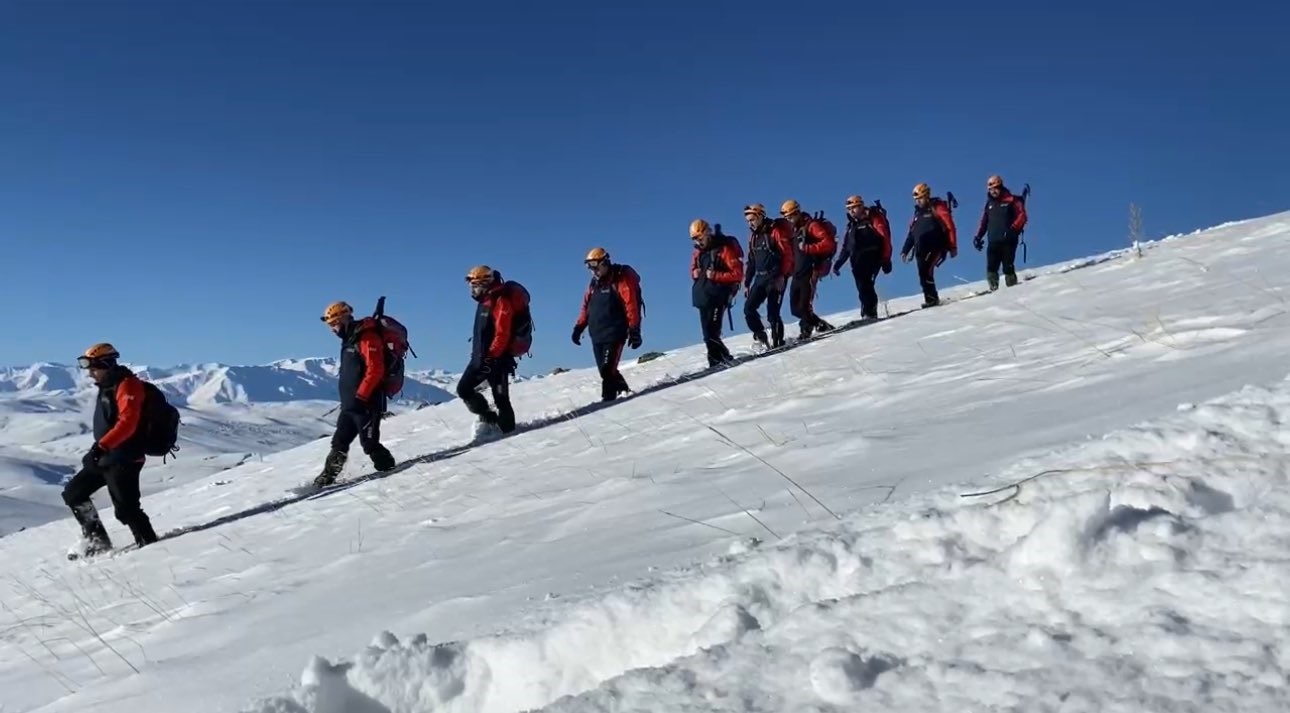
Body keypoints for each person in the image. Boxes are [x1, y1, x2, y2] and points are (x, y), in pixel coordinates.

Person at [62, 343, 159, 554]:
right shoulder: (108, 386)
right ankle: (97, 543)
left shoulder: (128, 385)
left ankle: (150, 547)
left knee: (127, 510)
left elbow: (128, 422)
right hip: (106, 455)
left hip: (125, 458)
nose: (90, 373)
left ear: (106, 364)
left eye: (93, 368)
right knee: (74, 494)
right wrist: (100, 449)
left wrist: (101, 447)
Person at [315, 301, 397, 487]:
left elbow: (375, 369)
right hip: (350, 405)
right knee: (339, 442)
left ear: (343, 319)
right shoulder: (350, 339)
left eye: (333, 324)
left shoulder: (366, 337)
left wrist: (361, 395)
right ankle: (325, 480)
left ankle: (391, 473)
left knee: (369, 444)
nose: (332, 329)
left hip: (366, 403)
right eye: (330, 325)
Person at [459, 265, 531, 438]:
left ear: (485, 283)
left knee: (502, 400)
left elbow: (502, 333)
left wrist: (491, 358)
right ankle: (488, 418)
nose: (472, 289)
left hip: (497, 360)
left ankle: (509, 435)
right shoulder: (485, 301)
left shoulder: (500, 301)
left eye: (475, 285)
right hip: (481, 359)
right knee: (464, 389)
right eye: (471, 285)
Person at [572, 247, 644, 401]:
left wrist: (634, 329)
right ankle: (624, 392)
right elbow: (586, 307)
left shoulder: (620, 280)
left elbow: (630, 305)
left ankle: (608, 403)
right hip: (597, 335)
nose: (593, 271)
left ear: (605, 263)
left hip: (615, 333)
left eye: (595, 267)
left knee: (607, 372)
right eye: (590, 268)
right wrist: (578, 327)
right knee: (606, 371)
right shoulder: (593, 284)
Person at [689, 218, 743, 367]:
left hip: (718, 297)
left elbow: (737, 274)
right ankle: (723, 358)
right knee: (708, 335)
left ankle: (715, 362)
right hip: (703, 298)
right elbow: (692, 270)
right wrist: (694, 273)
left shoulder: (724, 250)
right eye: (694, 239)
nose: (698, 241)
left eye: (699, 237)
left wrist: (715, 276)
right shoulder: (698, 253)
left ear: (707, 233)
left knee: (712, 333)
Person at [780, 199, 837, 338]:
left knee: (804, 305)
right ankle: (819, 324)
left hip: (811, 271)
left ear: (798, 213)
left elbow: (828, 244)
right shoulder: (792, 231)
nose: (789, 220)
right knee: (795, 309)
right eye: (786, 218)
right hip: (797, 273)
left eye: (791, 216)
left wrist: (808, 248)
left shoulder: (812, 226)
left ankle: (806, 330)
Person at [741, 203, 794, 349]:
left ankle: (778, 343)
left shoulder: (775, 232)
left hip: (775, 278)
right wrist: (746, 283)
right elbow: (751, 261)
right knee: (748, 309)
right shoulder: (753, 237)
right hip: (759, 279)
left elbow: (787, 255)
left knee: (773, 314)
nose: (750, 223)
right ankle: (761, 336)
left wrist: (782, 276)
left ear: (760, 216)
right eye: (748, 221)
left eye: (752, 219)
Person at [833, 194, 893, 320]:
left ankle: (870, 313)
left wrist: (886, 259)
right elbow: (847, 247)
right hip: (857, 262)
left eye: (854, 207)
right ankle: (866, 313)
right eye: (849, 209)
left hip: (873, 258)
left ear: (861, 206)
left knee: (866, 285)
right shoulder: (851, 226)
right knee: (862, 287)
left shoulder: (873, 218)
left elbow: (885, 237)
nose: (851, 211)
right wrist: (838, 263)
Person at [900, 182, 958, 307]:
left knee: (926, 271)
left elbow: (949, 226)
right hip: (921, 249)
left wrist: (952, 246)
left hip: (936, 246)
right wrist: (905, 250)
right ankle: (929, 299)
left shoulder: (937, 207)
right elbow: (911, 234)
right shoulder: (917, 214)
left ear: (926, 196)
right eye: (916, 199)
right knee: (922, 273)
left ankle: (932, 299)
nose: (918, 201)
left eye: (920, 198)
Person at [972, 174, 1029, 290]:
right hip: (993, 240)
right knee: (991, 267)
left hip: (1009, 240)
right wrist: (978, 236)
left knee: (1007, 266)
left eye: (995, 188)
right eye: (990, 189)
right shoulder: (989, 204)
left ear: (1001, 187)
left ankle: (1012, 289)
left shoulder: (1013, 200)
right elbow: (984, 222)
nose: (993, 191)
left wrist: (1013, 229)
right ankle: (993, 289)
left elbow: (1022, 216)